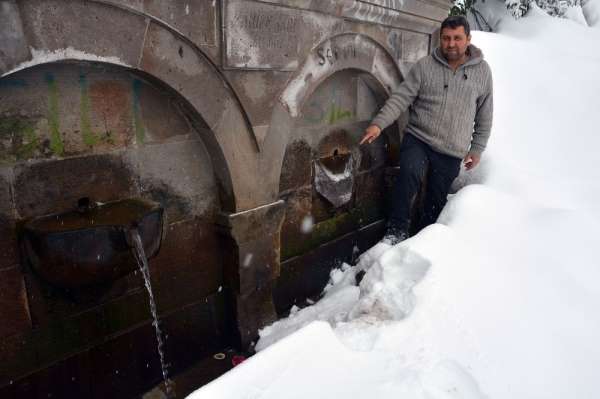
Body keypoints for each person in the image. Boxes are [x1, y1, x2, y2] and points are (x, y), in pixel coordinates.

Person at [360, 15, 493, 245]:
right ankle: (396, 231)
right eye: (446, 38)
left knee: (435, 198)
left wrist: (477, 149)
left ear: (468, 39)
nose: (451, 44)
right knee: (409, 174)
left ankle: (422, 241)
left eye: (457, 38)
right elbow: (401, 98)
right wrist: (378, 124)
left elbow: (485, 114)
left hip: (452, 149)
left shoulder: (483, 72)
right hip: (419, 138)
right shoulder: (425, 66)